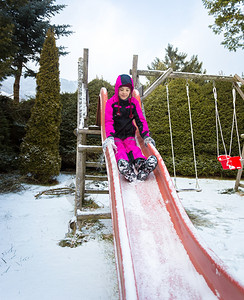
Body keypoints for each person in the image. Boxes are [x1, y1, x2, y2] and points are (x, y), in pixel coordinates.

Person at [102, 74, 158, 182]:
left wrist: (146, 136)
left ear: (130, 91)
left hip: (129, 134)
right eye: (121, 89)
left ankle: (141, 165)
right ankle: (125, 167)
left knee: (133, 148)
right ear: (117, 89)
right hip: (116, 135)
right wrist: (110, 137)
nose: (124, 92)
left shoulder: (133, 103)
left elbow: (140, 120)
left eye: (127, 90)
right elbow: (108, 121)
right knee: (119, 149)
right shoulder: (111, 103)